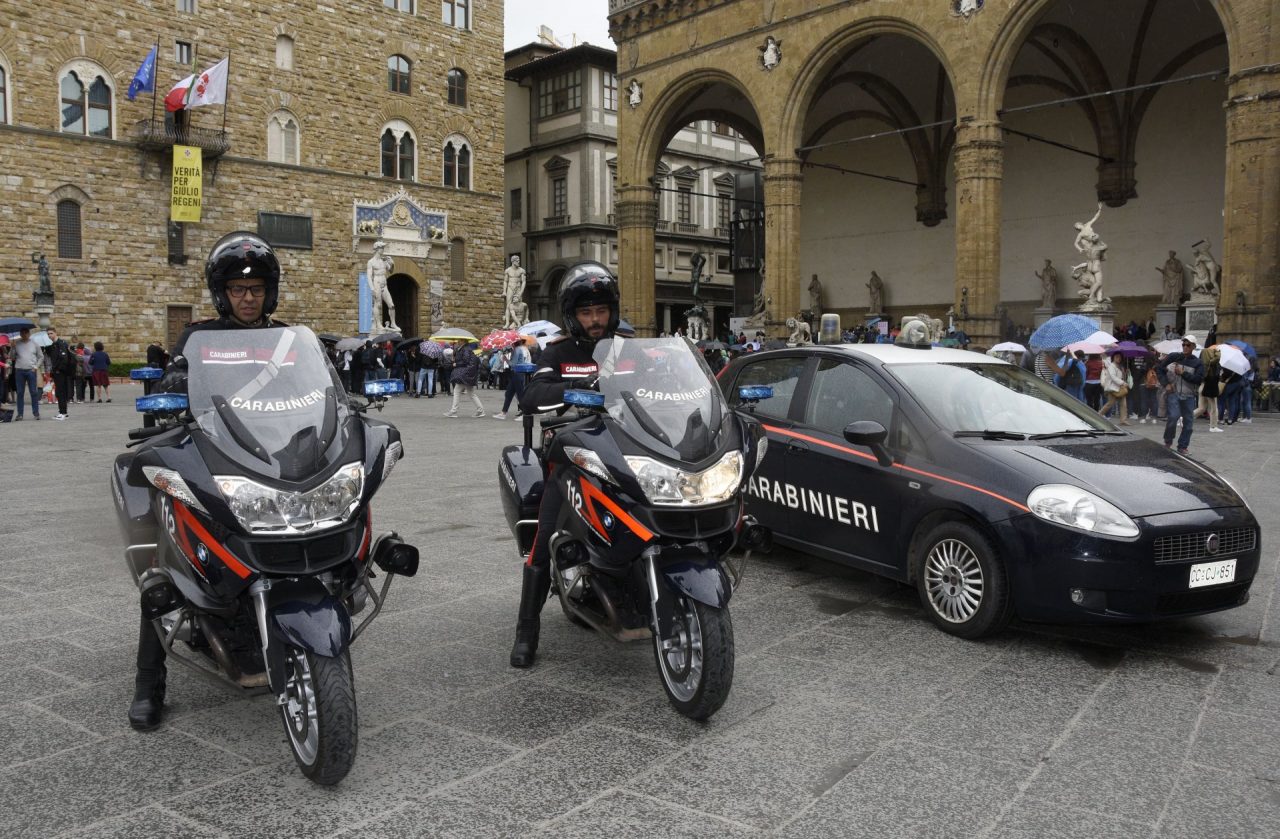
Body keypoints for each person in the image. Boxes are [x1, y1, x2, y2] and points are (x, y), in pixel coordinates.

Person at [129, 231, 286, 733]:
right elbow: (175, 379)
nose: (248, 297)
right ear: (222, 293)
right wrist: (175, 383)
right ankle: (149, 682)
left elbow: (318, 388)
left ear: (269, 293)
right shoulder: (198, 339)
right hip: (216, 457)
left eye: (256, 289)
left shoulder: (287, 339)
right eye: (238, 289)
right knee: (167, 554)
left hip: (274, 460)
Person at [510, 262, 621, 668]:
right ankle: (526, 630)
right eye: (586, 312)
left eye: (601, 310)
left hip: (623, 455)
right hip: (571, 459)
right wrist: (577, 386)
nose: (595, 319)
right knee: (543, 539)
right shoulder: (557, 352)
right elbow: (532, 395)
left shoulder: (627, 348)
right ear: (573, 316)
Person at [1157, 335, 1205, 455]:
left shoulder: (1198, 363)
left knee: (1188, 422)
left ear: (1193, 346)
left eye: (1188, 345)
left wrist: (1183, 373)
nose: (1185, 347)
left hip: (1189, 395)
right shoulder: (1174, 357)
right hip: (1174, 393)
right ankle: (1168, 441)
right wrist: (1166, 384)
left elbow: (1198, 379)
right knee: (1173, 417)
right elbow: (1159, 369)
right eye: (1183, 344)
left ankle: (1182, 446)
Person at [43, 327, 78, 420]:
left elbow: (64, 359)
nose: (49, 335)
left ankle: (63, 412)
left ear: (55, 333)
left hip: (60, 372)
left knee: (61, 392)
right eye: (48, 334)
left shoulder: (61, 343)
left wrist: (58, 369)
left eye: (51, 333)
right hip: (57, 372)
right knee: (59, 392)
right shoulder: (53, 345)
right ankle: (62, 411)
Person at [443, 340, 485, 417]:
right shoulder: (465, 348)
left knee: (457, 391)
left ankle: (454, 411)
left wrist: (456, 364)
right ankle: (480, 410)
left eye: (460, 340)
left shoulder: (465, 349)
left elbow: (465, 361)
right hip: (468, 374)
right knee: (470, 393)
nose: (458, 341)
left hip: (465, 373)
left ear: (463, 341)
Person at [11, 326, 43, 420]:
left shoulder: (35, 344)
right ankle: (20, 414)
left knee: (33, 392)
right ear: (20, 334)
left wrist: (36, 367)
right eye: (22, 333)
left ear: (29, 334)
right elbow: (12, 357)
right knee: (20, 393)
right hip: (19, 370)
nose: (24, 335)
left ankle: (36, 413)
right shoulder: (17, 344)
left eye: (26, 333)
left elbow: (41, 357)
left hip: (31, 370)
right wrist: (12, 348)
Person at [493, 341, 532, 420]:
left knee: (519, 395)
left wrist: (506, 359)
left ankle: (525, 414)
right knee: (509, 394)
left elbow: (513, 364)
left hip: (517, 374)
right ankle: (503, 413)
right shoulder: (517, 349)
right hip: (516, 374)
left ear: (513, 343)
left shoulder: (517, 350)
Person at [1099, 351, 1131, 425]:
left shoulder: (1120, 366)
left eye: (1120, 357)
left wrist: (1125, 374)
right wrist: (1122, 383)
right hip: (1112, 388)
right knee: (1110, 403)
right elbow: (1113, 377)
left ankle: (1123, 420)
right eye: (1117, 357)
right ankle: (1098, 415)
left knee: (1123, 404)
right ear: (1113, 358)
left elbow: (1120, 377)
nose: (1118, 358)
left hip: (1120, 388)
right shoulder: (1111, 366)